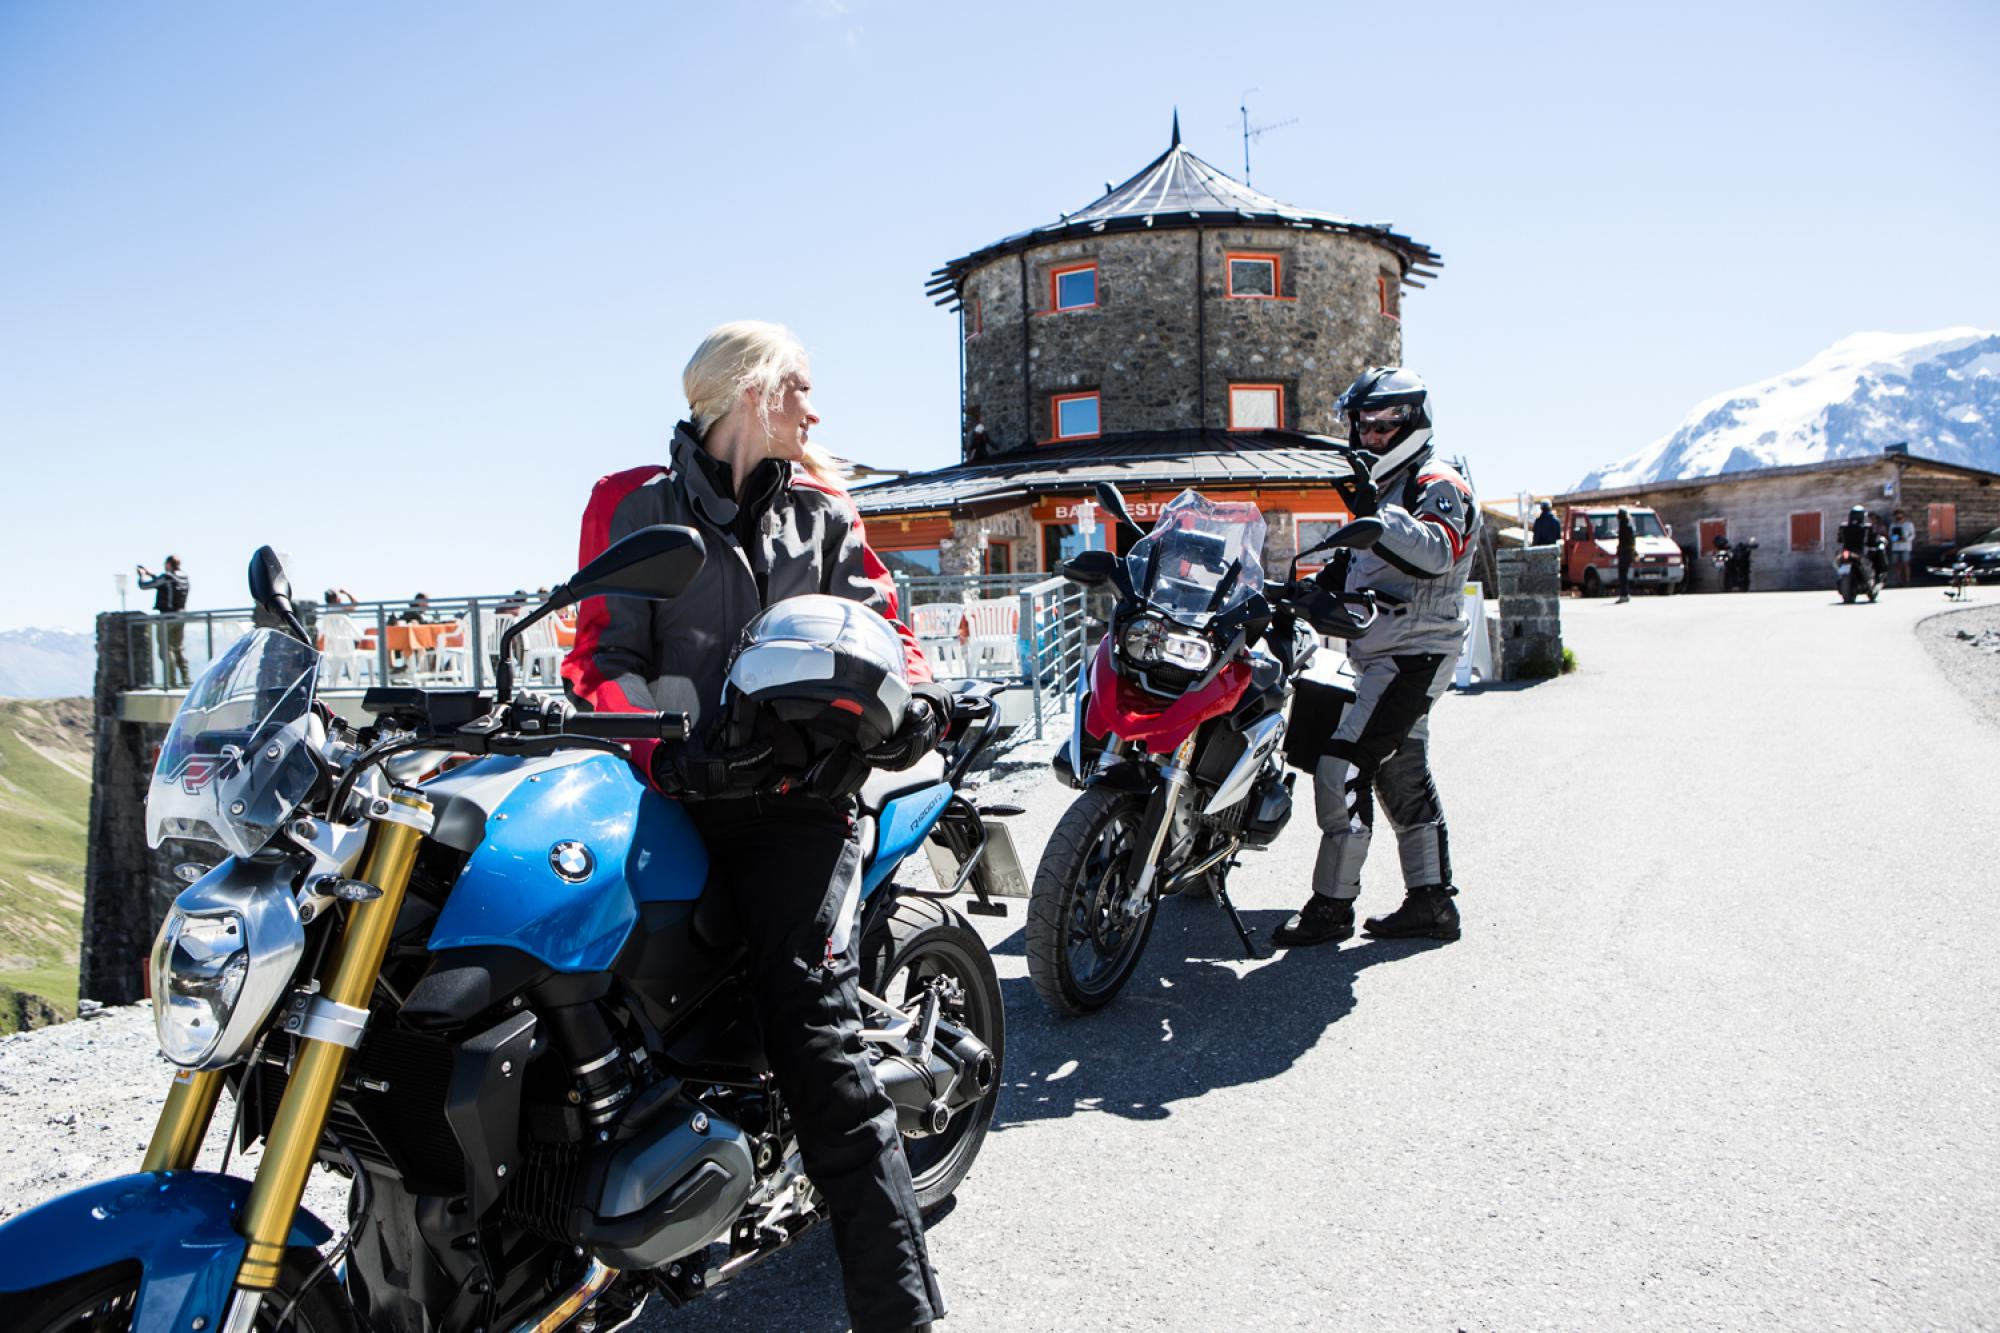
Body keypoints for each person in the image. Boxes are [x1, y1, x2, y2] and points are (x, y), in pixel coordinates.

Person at [562, 321, 949, 1333]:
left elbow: (887, 634)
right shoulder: (630, 503)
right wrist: (670, 748)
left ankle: (899, 1313)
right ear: (748, 393)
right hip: (673, 793)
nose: (815, 414)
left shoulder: (819, 514)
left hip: (797, 811)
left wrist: (911, 703)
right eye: (801, 391)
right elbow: (598, 655)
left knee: (813, 1033)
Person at [1274, 366, 1480, 949]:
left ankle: (1332, 907)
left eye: (1384, 425)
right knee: (1400, 770)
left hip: (1413, 655)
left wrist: (1378, 516)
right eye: (1362, 425)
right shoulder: (1389, 489)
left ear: (1411, 423)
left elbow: (1437, 550)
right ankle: (1432, 904)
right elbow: (1362, 562)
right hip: (1386, 654)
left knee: (1341, 766)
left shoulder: (1436, 481)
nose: (1370, 437)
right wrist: (1295, 589)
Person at [136, 555, 190, 687]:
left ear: (169, 564)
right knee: (178, 649)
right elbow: (164, 582)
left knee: (166, 650)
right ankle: (186, 680)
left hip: (166, 618)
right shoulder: (184, 577)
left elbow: (144, 586)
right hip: (181, 617)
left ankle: (171, 683)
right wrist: (151, 574)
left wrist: (142, 575)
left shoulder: (167, 577)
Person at [1889, 508, 1916, 586]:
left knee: (1906, 564)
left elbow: (1912, 535)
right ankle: (1898, 580)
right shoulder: (1893, 525)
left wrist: (1906, 539)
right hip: (1896, 547)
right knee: (1897, 565)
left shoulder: (1909, 524)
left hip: (1906, 547)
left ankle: (1907, 580)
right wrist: (1895, 539)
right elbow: (1890, 535)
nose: (1898, 517)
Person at [1615, 507, 1636, 602]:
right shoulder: (1628, 525)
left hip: (1625, 553)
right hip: (1628, 552)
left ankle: (1624, 595)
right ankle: (1625, 594)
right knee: (1624, 574)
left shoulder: (1624, 525)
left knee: (1622, 574)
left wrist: (1620, 550)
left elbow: (1624, 541)